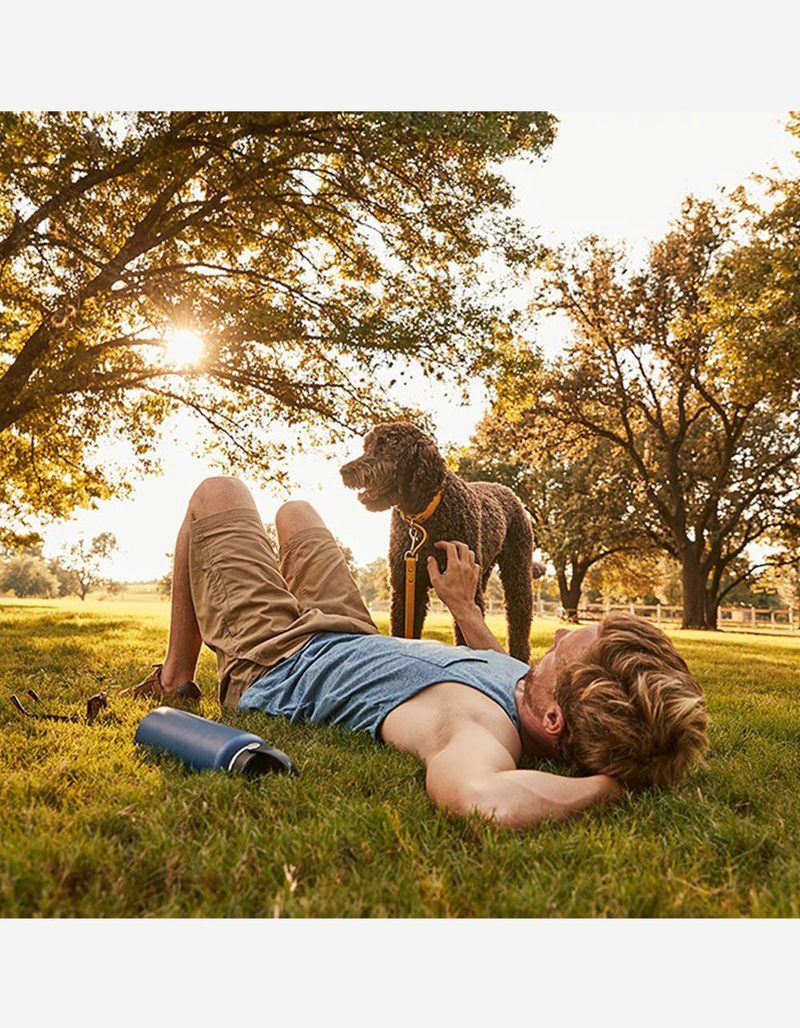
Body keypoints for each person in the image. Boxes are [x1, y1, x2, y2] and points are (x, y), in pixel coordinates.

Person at [125, 477, 709, 829]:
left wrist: (616, 784)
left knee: (217, 495)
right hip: (350, 633)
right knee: (295, 512)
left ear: (553, 719)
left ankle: (176, 679)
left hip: (281, 662)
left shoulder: (478, 731)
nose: (553, 640)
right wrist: (464, 608)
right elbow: (495, 664)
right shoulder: (527, 691)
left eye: (561, 652)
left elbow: (482, 802)